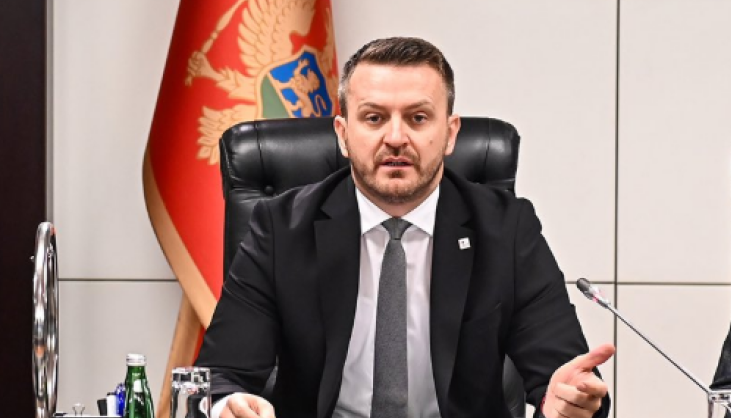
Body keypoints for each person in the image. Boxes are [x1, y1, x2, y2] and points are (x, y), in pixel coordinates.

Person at [196, 36, 614, 418]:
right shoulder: (281, 229)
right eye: (374, 118)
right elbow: (218, 379)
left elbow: (569, 380)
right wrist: (227, 408)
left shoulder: (506, 229)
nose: (395, 137)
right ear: (343, 134)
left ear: (450, 133)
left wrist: (567, 405)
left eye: (417, 118)